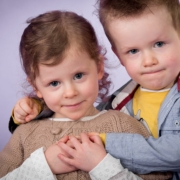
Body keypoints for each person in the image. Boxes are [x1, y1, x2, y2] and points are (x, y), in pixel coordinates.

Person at [9, 0, 180, 179]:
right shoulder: (121, 100)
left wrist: (105, 147)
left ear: (99, 68)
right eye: (133, 50)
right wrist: (39, 107)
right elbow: (85, 113)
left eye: (159, 44)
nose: (149, 61)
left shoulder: (120, 126)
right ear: (118, 55)